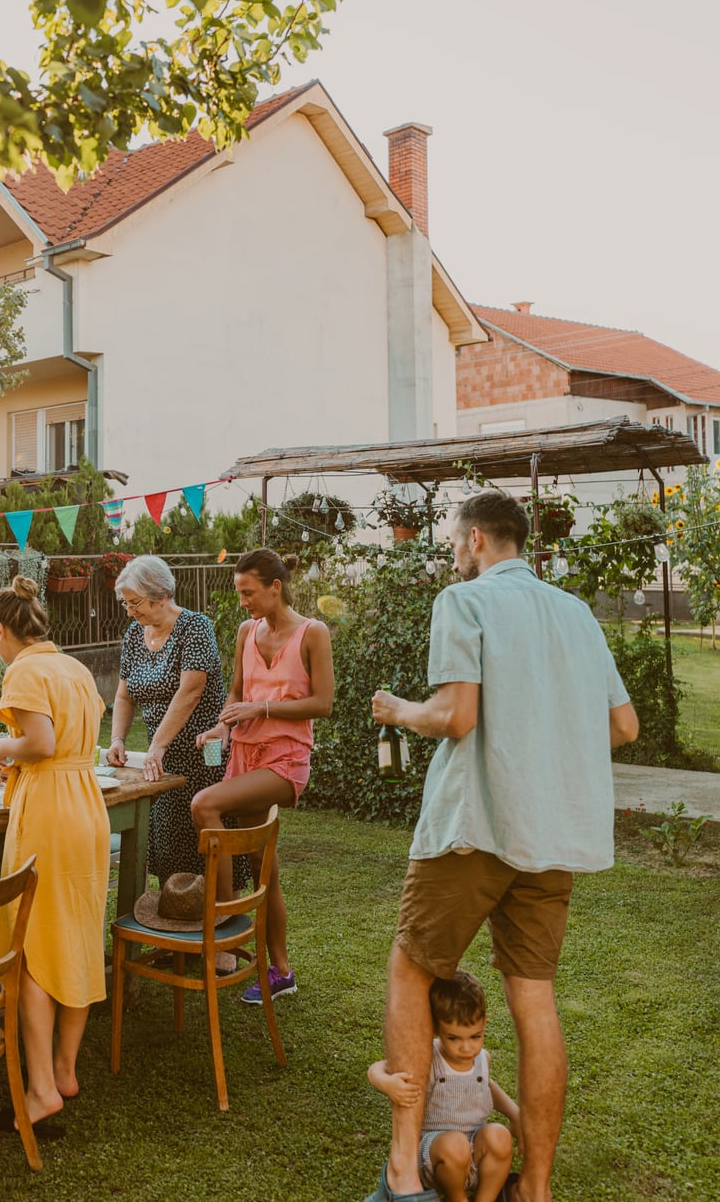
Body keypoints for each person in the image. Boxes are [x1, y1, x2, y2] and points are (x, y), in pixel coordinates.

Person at [368, 490, 638, 1202]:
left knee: (411, 970)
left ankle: (404, 1170)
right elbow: (623, 726)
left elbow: (456, 716)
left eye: (455, 541)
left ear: (478, 540)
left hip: (475, 825)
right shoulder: (576, 614)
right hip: (552, 835)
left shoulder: (464, 601)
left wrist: (399, 710)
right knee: (534, 1000)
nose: (453, 552)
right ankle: (536, 1188)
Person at [0, 574, 108, 1137]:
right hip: (86, 803)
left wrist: (2, 747)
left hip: (49, 812)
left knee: (32, 944)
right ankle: (64, 1070)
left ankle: (39, 1091)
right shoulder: (75, 668)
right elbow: (69, 743)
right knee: (77, 934)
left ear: (0, 630)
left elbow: (40, 744)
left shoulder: (24, 670)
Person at [190, 547, 334, 1005]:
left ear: (275, 587)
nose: (243, 601)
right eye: (239, 593)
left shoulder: (312, 633)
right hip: (244, 753)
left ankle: (226, 924)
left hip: (285, 760)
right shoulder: (246, 632)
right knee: (261, 866)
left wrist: (263, 708)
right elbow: (236, 693)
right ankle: (282, 971)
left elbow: (323, 704)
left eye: (248, 592)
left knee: (205, 804)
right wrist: (221, 726)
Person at [102, 555, 239, 889]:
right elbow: (124, 695)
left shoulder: (195, 627)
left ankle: (221, 912)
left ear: (161, 595)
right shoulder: (134, 635)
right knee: (167, 846)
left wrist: (157, 746)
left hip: (202, 755)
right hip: (161, 761)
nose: (130, 612)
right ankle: (175, 911)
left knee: (206, 844)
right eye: (126, 604)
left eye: (135, 603)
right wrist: (117, 739)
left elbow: (190, 692)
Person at [367, 972, 520, 1202]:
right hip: (435, 1155)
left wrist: (514, 1114)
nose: (466, 1048)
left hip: (474, 1150)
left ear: (484, 1022)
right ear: (437, 1028)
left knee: (500, 1136)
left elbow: (486, 1085)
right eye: (454, 1038)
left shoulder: (482, 1059)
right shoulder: (428, 1056)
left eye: (475, 1036)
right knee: (455, 1145)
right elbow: (377, 1068)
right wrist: (387, 1083)